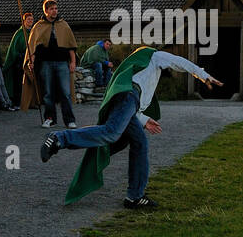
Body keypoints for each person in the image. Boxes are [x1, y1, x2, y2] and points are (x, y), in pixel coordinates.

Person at [41, 47, 221, 207]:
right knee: (111, 132)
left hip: (130, 102)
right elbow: (178, 61)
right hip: (129, 97)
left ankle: (134, 196)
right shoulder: (153, 55)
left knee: (140, 142)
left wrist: (143, 120)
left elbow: (129, 105)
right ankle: (59, 138)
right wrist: (203, 75)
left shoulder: (136, 71)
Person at [26, 0, 78, 129]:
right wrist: (30, 61)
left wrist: (73, 61)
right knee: (48, 93)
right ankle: (50, 118)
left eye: (56, 8)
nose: (55, 11)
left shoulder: (64, 25)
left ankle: (69, 120)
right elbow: (33, 47)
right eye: (52, 9)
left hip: (62, 63)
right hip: (46, 63)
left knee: (65, 93)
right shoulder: (39, 26)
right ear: (46, 11)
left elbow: (70, 46)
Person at [4, 11, 38, 109]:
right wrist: (22, 56)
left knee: (31, 81)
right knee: (19, 83)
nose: (30, 21)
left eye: (32, 19)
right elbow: (14, 48)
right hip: (19, 61)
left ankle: (31, 102)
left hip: (30, 60)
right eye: (28, 20)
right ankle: (18, 102)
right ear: (24, 21)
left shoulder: (32, 32)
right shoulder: (20, 33)